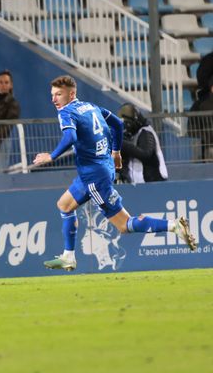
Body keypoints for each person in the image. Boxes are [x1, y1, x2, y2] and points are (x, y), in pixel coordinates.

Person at [33, 75, 196, 271]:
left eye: (59, 94)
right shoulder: (90, 107)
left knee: (124, 224)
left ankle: (173, 226)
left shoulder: (66, 113)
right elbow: (118, 124)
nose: (54, 99)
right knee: (64, 205)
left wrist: (51, 156)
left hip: (94, 177)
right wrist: (116, 153)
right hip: (99, 169)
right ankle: (68, 256)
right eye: (52, 95)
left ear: (72, 94)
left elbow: (70, 136)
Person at [117, 103, 167, 183]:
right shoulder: (133, 135)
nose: (126, 128)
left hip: (153, 182)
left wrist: (123, 145)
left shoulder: (146, 132)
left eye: (127, 124)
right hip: (139, 184)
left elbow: (145, 153)